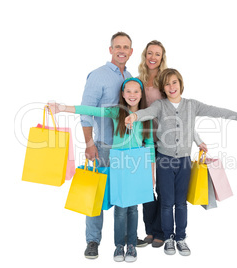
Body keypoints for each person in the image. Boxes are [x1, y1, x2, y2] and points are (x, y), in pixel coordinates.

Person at [125, 68, 237, 256]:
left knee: (181, 203)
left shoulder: (192, 105)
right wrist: (133, 116)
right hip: (164, 160)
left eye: (174, 82)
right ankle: (169, 238)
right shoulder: (160, 105)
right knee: (166, 203)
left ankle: (180, 237)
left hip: (184, 161)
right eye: (167, 83)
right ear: (163, 88)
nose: (171, 86)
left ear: (181, 84)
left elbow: (218, 111)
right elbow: (146, 113)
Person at [48, 77, 155, 262]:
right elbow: (91, 110)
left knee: (134, 208)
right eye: (128, 91)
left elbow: (150, 145)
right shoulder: (117, 112)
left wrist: (151, 173)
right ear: (122, 94)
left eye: (136, 91)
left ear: (141, 94)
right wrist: (63, 108)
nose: (132, 95)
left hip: (138, 167)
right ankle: (119, 246)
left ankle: (131, 245)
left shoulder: (146, 116)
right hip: (119, 165)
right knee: (121, 208)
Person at [137, 40, 207, 248]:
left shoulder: (166, 80)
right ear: (144, 55)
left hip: (166, 143)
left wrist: (197, 139)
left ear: (162, 57)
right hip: (144, 139)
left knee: (164, 191)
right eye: (150, 53)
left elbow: (182, 118)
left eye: (157, 54)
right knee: (146, 188)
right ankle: (150, 230)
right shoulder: (138, 80)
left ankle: (162, 233)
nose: (153, 57)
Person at [78, 32, 134, 259]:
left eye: (126, 47)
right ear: (110, 49)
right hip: (102, 147)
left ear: (131, 51)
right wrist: (89, 143)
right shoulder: (98, 76)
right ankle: (93, 241)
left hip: (126, 150)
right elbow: (85, 112)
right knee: (96, 197)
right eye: (118, 46)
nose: (122, 50)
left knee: (125, 197)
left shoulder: (130, 77)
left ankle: (126, 240)